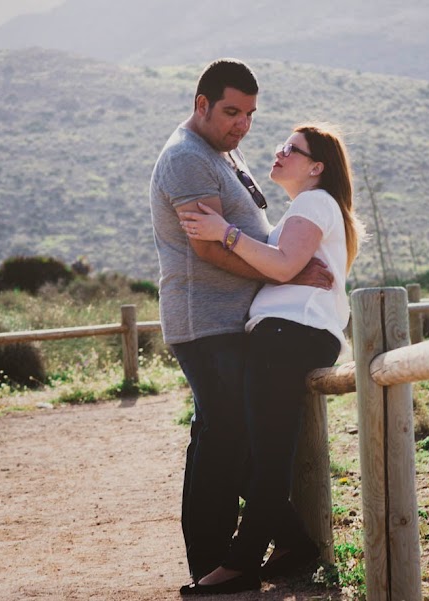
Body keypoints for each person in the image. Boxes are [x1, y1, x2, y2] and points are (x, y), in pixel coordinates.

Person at [149, 59, 332, 592]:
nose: (242, 124)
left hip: (237, 321)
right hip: (205, 322)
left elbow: (246, 228)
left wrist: (287, 258)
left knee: (230, 436)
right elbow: (209, 250)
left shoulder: (224, 152)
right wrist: (288, 266)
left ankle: (288, 547)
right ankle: (213, 565)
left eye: (250, 114)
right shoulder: (187, 158)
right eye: (231, 111)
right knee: (224, 437)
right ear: (200, 103)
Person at [177, 123, 364, 596]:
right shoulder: (311, 207)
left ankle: (242, 562)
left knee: (265, 454)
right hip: (285, 336)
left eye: (291, 149)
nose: (279, 153)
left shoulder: (314, 202)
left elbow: (280, 264)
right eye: (282, 145)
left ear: (316, 167)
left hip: (288, 337)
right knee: (249, 447)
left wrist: (225, 233)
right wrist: (293, 273)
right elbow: (286, 268)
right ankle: (294, 543)